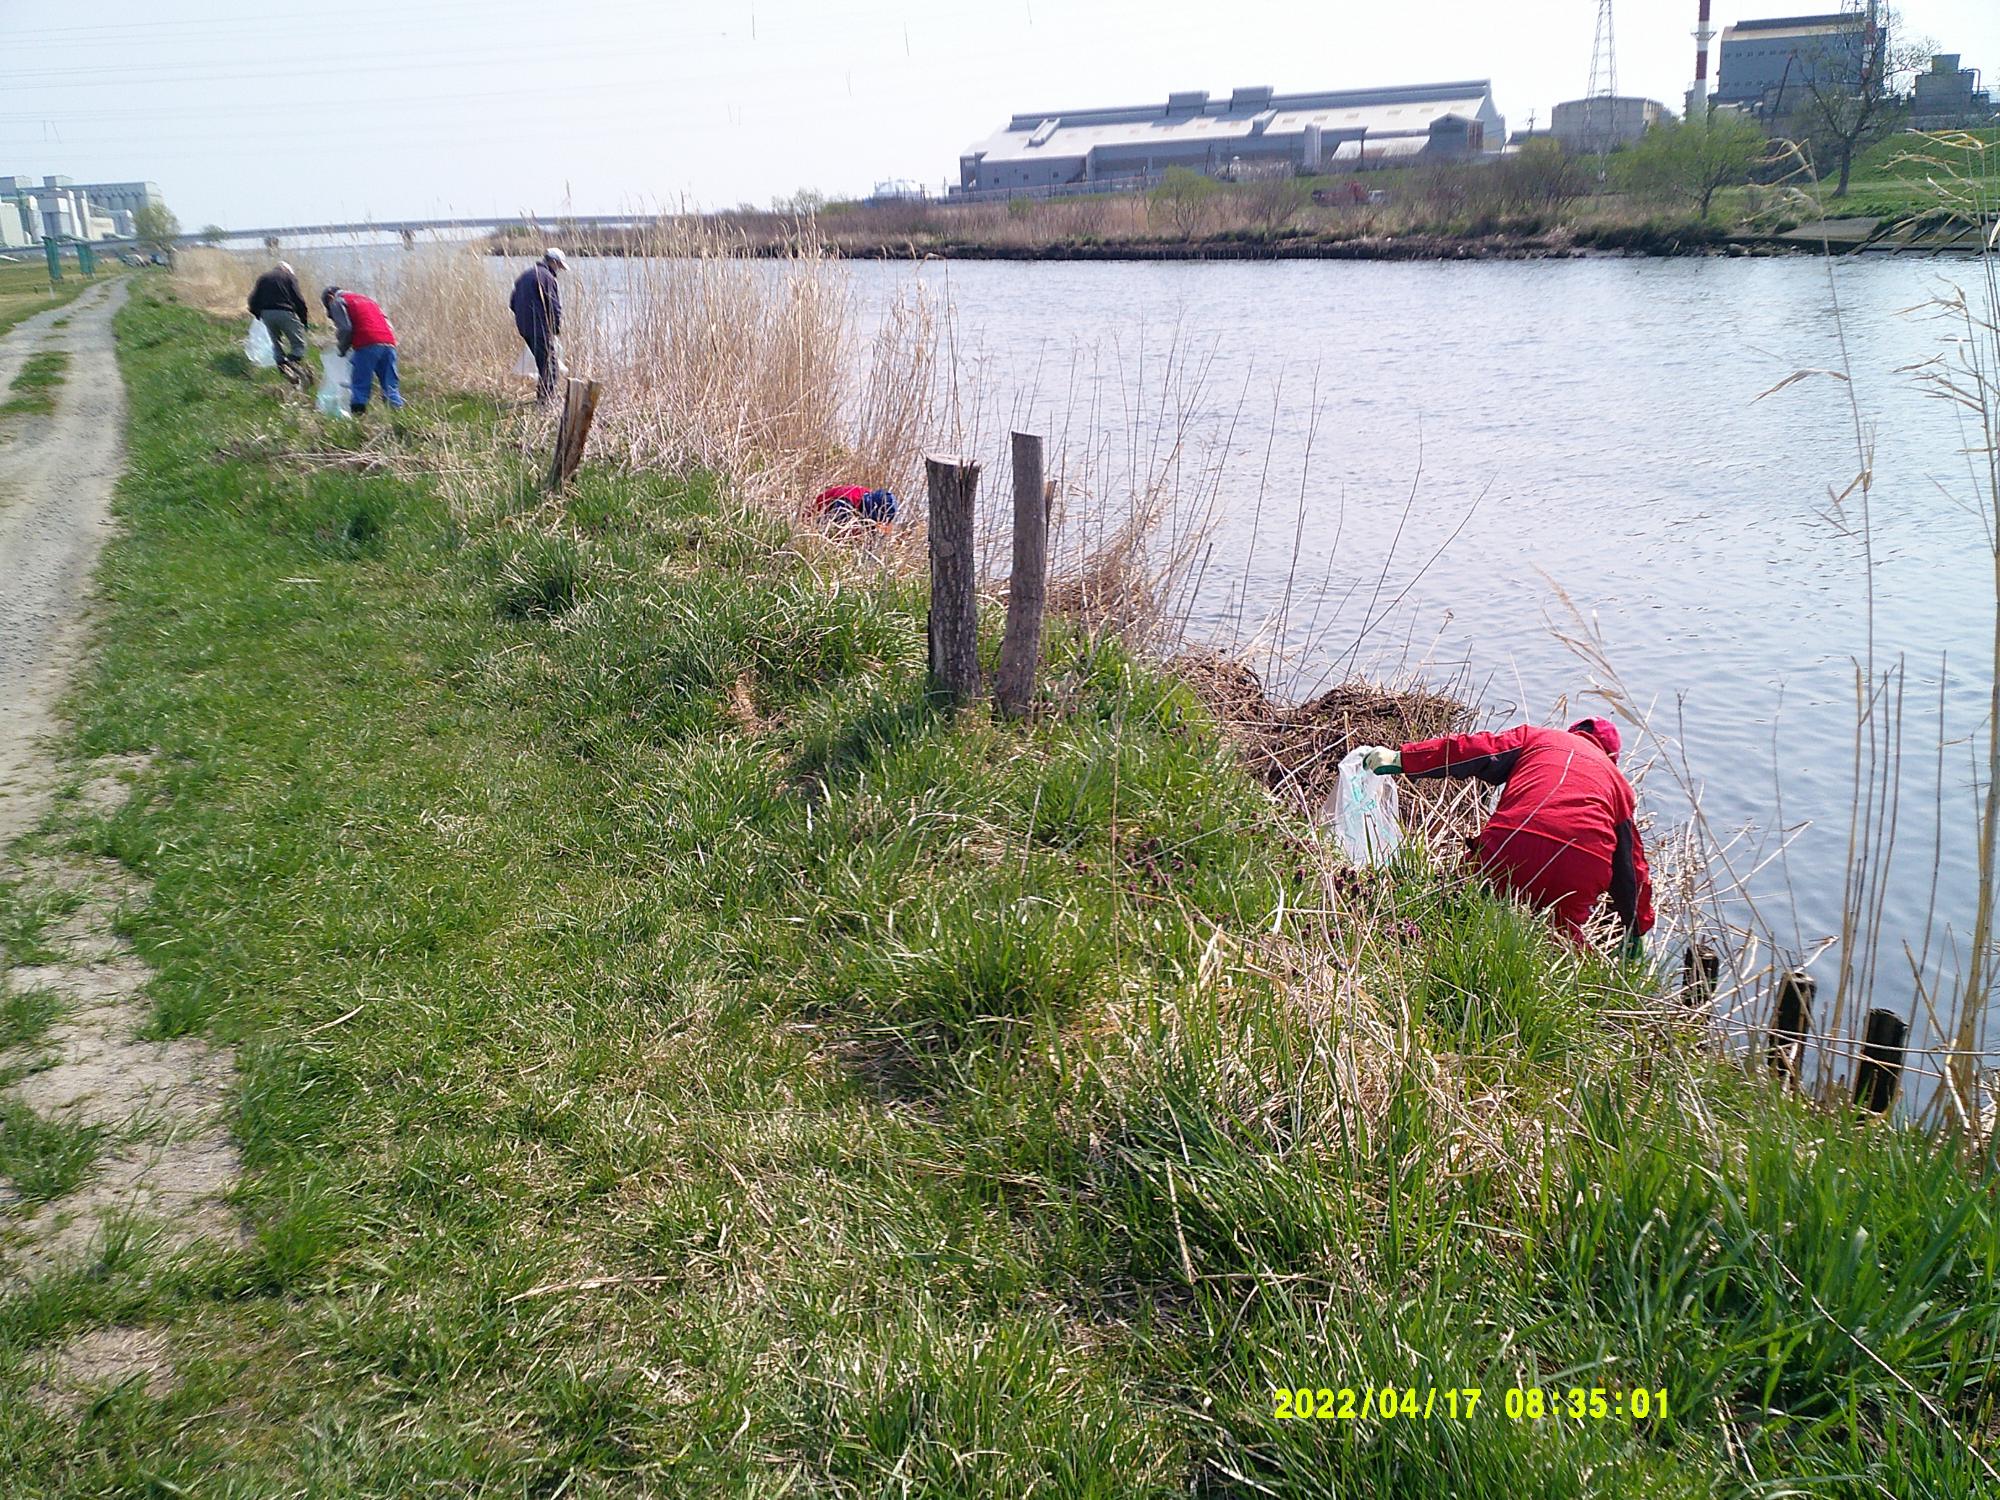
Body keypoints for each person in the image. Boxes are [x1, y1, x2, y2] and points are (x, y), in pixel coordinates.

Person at [1358, 716, 1654, 955]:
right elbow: (1631, 870)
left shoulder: (1541, 739)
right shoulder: (1619, 785)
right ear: (1611, 756)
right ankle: (1587, 988)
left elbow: (1472, 749)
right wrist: (1635, 929)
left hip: (1513, 844)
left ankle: (1434, 949)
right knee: (1562, 945)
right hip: (1579, 870)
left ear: (1573, 731)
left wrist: (1403, 758)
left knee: (1462, 906)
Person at [321, 286, 402, 415]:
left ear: (330, 297)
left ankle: (359, 417)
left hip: (367, 343)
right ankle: (397, 414)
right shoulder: (369, 301)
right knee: (390, 384)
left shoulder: (338, 301)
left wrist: (342, 349)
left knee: (360, 382)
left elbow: (345, 329)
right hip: (389, 343)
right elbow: (388, 324)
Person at [509, 247, 565, 403]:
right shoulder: (547, 278)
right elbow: (554, 306)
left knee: (543, 363)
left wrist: (523, 318)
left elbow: (512, 303)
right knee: (550, 366)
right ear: (553, 262)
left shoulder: (525, 275)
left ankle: (544, 398)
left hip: (524, 328)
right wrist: (555, 328)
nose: (559, 270)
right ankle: (545, 402)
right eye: (559, 266)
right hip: (539, 328)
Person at [247, 261, 310, 384]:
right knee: (298, 345)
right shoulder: (289, 277)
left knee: (276, 344)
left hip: (266, 314)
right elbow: (298, 299)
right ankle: (292, 364)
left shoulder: (263, 278)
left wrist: (258, 314)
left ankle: (284, 369)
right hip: (285, 312)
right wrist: (304, 320)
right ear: (287, 270)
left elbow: (252, 300)